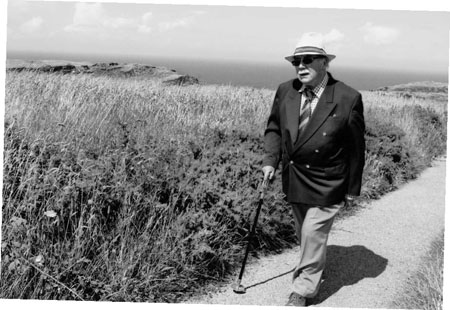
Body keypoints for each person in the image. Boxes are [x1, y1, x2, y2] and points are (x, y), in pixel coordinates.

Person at [262, 32, 365, 306]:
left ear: (324, 63)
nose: (301, 66)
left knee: (312, 232)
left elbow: (356, 147)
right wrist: (270, 161)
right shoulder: (286, 90)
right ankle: (313, 265)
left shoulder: (347, 97)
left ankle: (304, 290)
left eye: (308, 60)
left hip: (328, 180)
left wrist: (353, 188)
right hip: (295, 176)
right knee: (303, 233)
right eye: (296, 61)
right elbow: (273, 127)